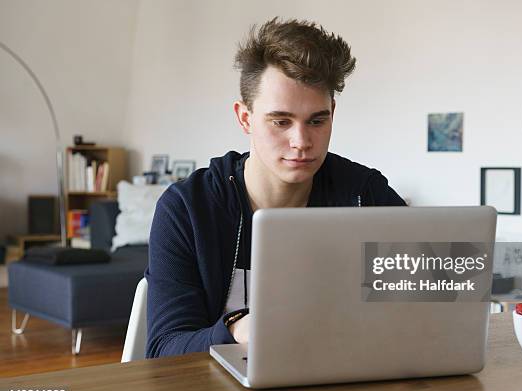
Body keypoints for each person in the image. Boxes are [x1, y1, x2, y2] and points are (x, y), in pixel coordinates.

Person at [146, 17, 406, 358]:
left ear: (333, 114)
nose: (301, 142)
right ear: (245, 118)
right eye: (280, 121)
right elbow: (164, 350)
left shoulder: (364, 192)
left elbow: (430, 300)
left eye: (317, 120)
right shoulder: (188, 208)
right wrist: (236, 329)